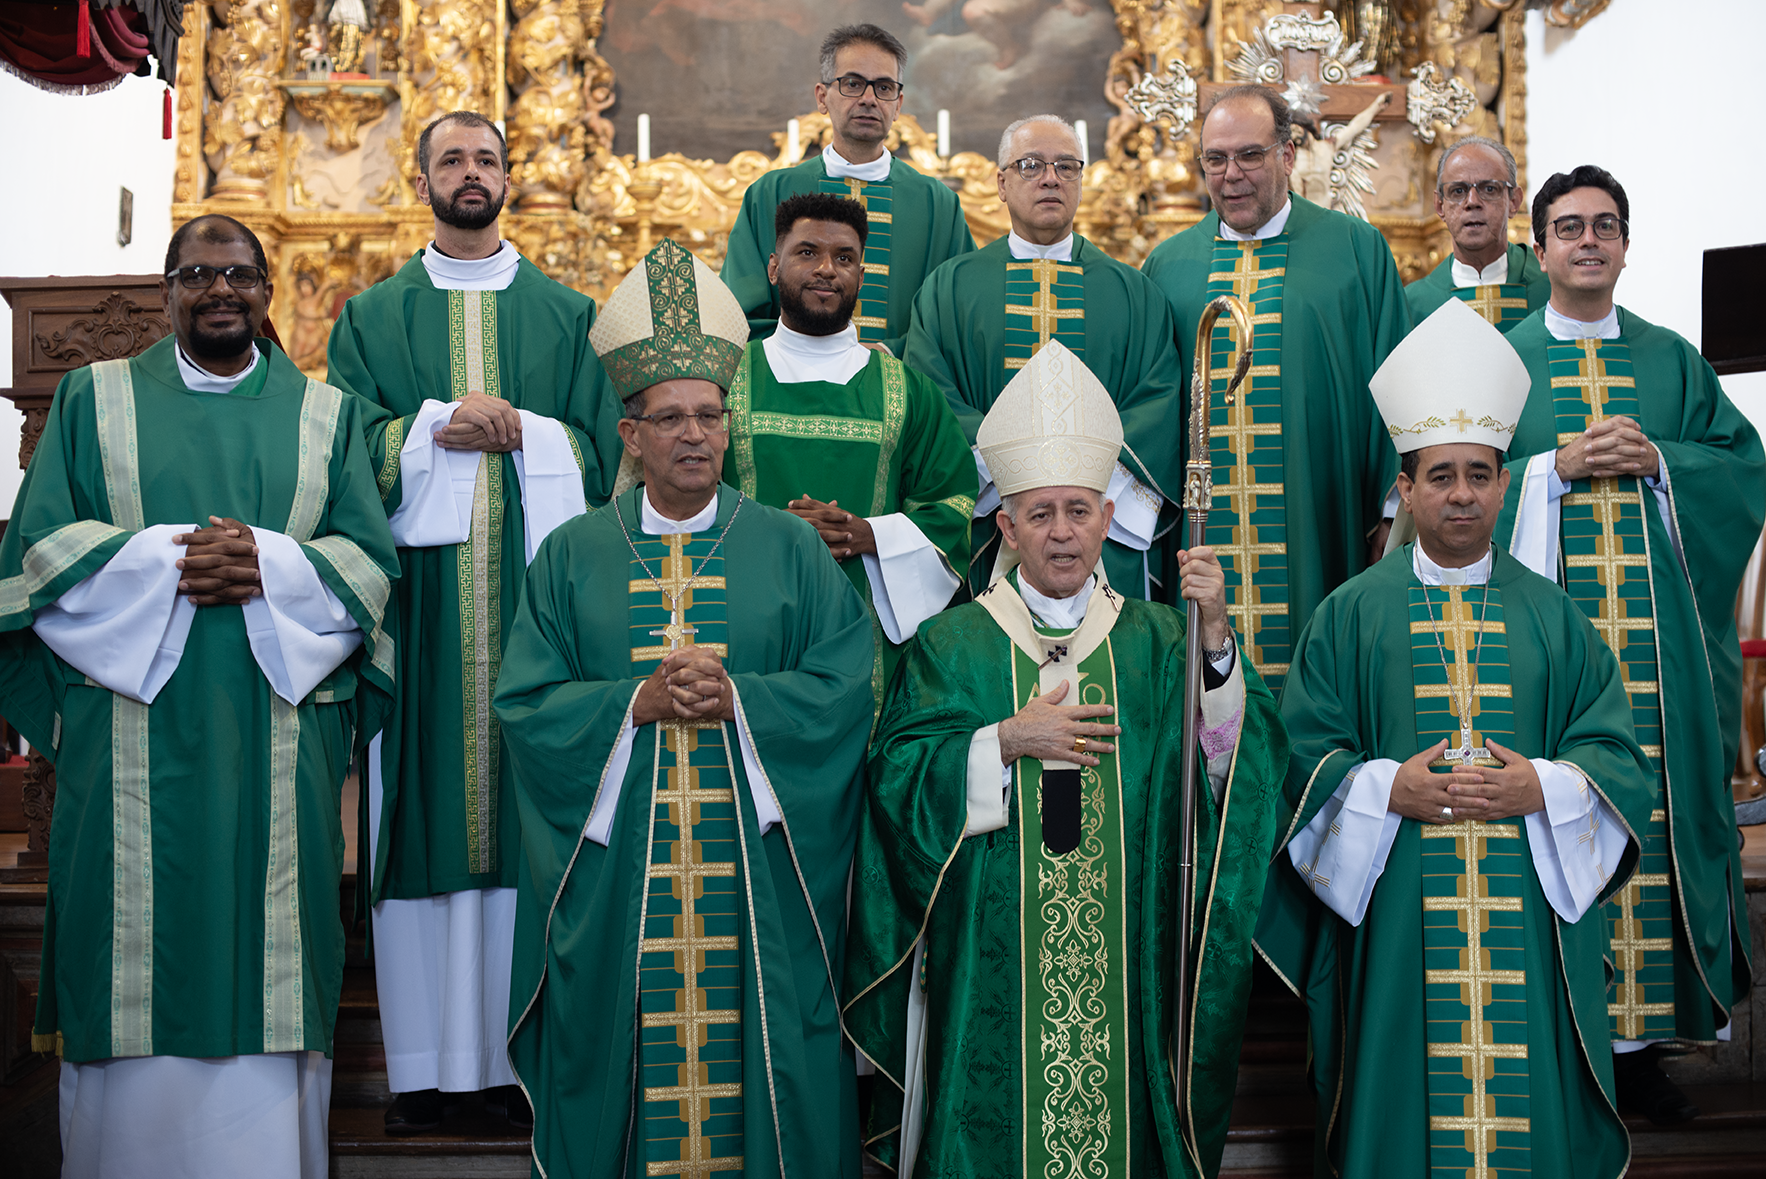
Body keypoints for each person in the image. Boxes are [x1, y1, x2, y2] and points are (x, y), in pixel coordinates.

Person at [0, 214, 398, 1176]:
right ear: (167, 291)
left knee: (273, 948)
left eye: (240, 275)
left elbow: (370, 565)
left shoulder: (326, 413)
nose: (221, 291)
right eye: (198, 275)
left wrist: (267, 564)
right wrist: (168, 559)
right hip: (125, 726)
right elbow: (35, 550)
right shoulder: (94, 399)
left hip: (276, 727)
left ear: (267, 290)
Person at [845, 339, 1287, 1178]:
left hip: (1129, 965)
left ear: (1108, 520)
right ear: (1006, 526)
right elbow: (896, 784)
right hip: (991, 972)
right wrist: (1005, 741)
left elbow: (1239, 775)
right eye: (1040, 513)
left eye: (1079, 511)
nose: (1061, 532)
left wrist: (1219, 644)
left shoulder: (1165, 641)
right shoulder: (952, 645)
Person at [493, 238, 875, 1178]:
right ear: (631, 435)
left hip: (758, 875)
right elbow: (527, 704)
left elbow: (845, 685)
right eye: (670, 418)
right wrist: (635, 702)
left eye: (709, 415)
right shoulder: (573, 554)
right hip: (625, 869)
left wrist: (742, 698)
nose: (695, 434)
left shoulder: (788, 547)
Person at [1255, 297, 1658, 1179]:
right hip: (1399, 907)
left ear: (1505, 484)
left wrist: (1543, 786)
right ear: (1405, 490)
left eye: (1480, 474)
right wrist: (1382, 788)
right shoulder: (1349, 616)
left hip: (1526, 900)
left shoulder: (1555, 616)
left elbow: (1616, 757)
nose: (1463, 494)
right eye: (1441, 476)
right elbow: (1297, 757)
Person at [325, 110, 623, 1133]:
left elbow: (603, 452)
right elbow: (344, 445)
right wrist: (431, 429)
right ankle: (421, 1073)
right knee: (421, 821)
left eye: (485, 159)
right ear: (421, 182)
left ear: (508, 177)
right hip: (419, 623)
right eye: (450, 159)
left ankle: (513, 1063)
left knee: (527, 828)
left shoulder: (568, 315)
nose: (469, 172)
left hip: (538, 625)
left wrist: (524, 429)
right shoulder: (371, 317)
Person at [1494, 164, 1765, 1123]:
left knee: (1647, 817)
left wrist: (1660, 461)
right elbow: (1450, 485)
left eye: (1605, 225)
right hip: (1546, 657)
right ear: (1539, 248)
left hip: (1661, 659)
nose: (1588, 241)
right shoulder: (1503, 363)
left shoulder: (1673, 360)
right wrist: (1550, 469)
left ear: (1624, 243)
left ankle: (1642, 1051)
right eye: (1569, 227)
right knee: (1558, 816)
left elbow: (1742, 468)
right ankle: (1560, 1039)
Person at [1141, 84, 1409, 695]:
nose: (1231, 174)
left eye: (1250, 155)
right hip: (1202, 535)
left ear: (1288, 156)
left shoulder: (1355, 251)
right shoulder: (1168, 266)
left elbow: (1393, 390)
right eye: (1215, 159)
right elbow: (1153, 408)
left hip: (1323, 525)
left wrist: (1389, 519)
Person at [905, 114, 1184, 600]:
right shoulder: (949, 288)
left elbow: (1155, 402)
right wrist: (1012, 482)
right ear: (1001, 183)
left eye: (1066, 166)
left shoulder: (1134, 294)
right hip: (990, 522)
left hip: (1100, 526)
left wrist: (1082, 499)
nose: (1050, 178)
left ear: (1081, 180)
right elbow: (931, 394)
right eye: (1031, 165)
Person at [728, 192, 976, 709]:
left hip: (871, 646)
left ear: (861, 275)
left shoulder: (908, 390)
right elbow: (682, 495)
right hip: (745, 617)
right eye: (807, 253)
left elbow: (952, 506)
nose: (827, 269)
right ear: (773, 267)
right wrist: (770, 531)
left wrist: (870, 535)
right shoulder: (726, 380)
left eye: (844, 258)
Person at [722, 23, 975, 356]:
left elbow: (958, 317)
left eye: (884, 87)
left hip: (901, 380)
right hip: (791, 378)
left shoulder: (937, 204)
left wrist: (888, 352)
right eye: (853, 84)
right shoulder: (770, 193)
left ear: (898, 105)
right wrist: (812, 353)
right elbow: (738, 316)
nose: (869, 99)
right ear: (822, 97)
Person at [1405, 136, 1549, 332]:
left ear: (1514, 201)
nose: (1472, 202)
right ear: (1439, 205)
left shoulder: (1553, 286)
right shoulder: (1413, 305)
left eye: (1489, 189)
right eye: (1458, 191)